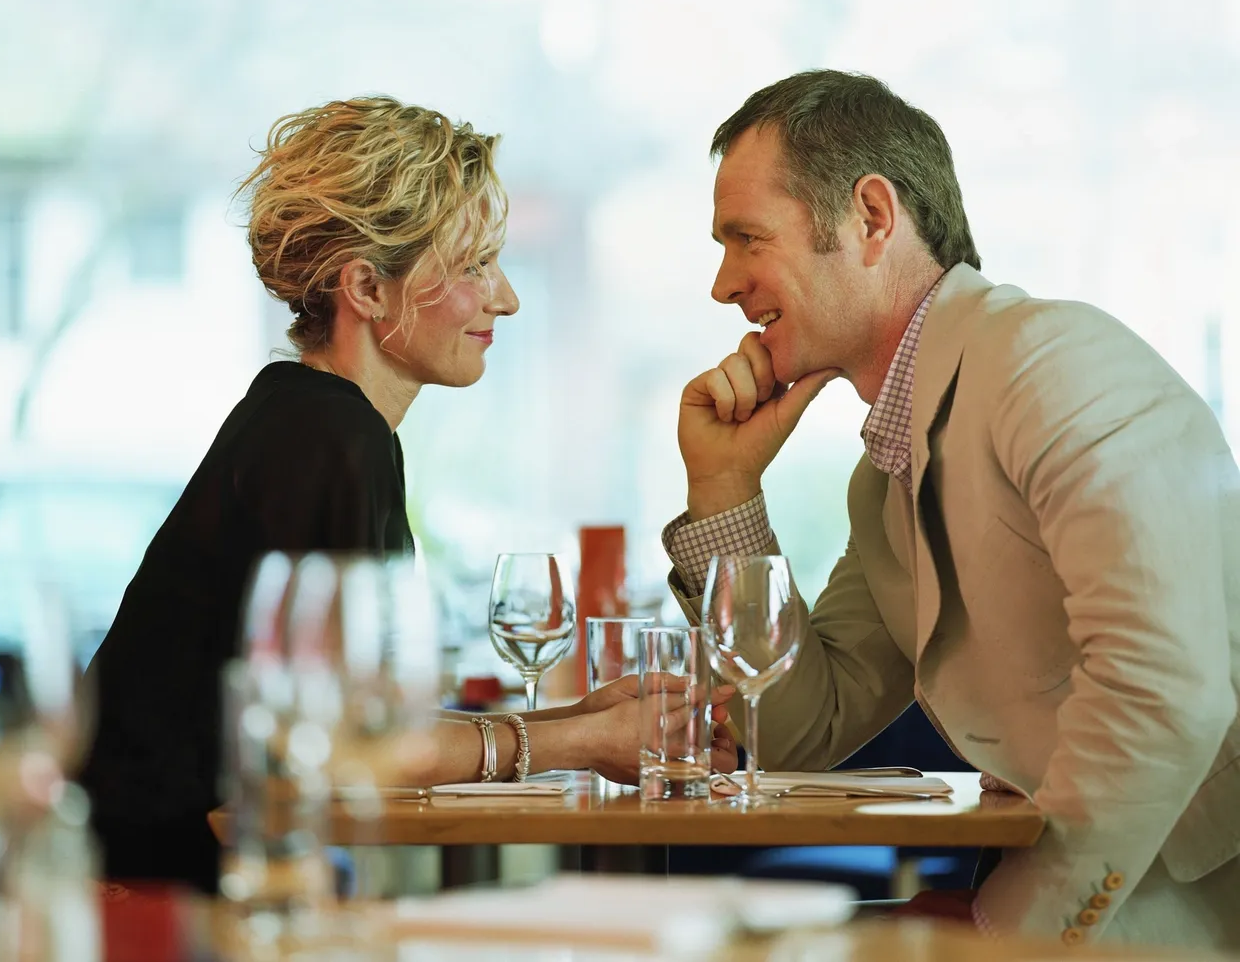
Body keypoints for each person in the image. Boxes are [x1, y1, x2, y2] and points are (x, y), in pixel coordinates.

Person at [79, 97, 736, 895]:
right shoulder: (330, 438)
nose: (506, 298)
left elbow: (366, 724)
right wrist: (583, 743)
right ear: (366, 287)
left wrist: (585, 720)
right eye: (472, 266)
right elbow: (364, 744)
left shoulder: (308, 417)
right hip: (161, 897)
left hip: (161, 872)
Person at [663, 69, 1240, 949]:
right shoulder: (885, 475)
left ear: (871, 217)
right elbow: (794, 729)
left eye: (746, 238)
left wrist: (1014, 934)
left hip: (1182, 911)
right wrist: (724, 494)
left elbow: (1166, 688)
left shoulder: (1050, 362)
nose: (723, 284)